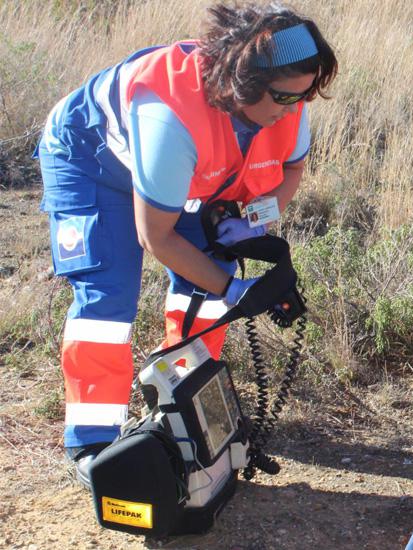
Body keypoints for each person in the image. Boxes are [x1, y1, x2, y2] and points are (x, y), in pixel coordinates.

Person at [35, 3, 337, 487]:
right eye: (284, 97)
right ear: (245, 84)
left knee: (203, 296)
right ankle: (94, 447)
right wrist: (233, 287)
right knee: (107, 305)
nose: (293, 109)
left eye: (303, 97)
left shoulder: (288, 100)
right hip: (92, 161)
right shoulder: (169, 119)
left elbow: (292, 170)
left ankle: (179, 410)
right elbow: (156, 237)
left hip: (184, 174)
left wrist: (254, 223)